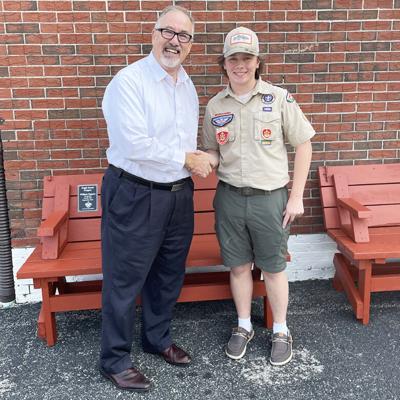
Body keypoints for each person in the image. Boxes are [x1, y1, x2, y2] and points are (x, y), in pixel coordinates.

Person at [99, 6, 213, 392]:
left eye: (184, 36)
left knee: (168, 273)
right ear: (154, 32)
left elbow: (181, 144)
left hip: (178, 196)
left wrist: (197, 159)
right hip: (135, 192)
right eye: (169, 31)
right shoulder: (129, 82)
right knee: (124, 278)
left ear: (191, 45)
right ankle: (114, 359)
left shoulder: (188, 85)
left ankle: (156, 338)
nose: (175, 41)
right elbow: (133, 143)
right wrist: (186, 158)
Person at [201, 27, 315, 366]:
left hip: (270, 199)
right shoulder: (214, 106)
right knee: (238, 266)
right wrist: (205, 159)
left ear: (257, 62)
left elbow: (304, 144)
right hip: (230, 198)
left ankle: (280, 329)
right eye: (233, 59)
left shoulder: (278, 98)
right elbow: (213, 150)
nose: (240, 65)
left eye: (246, 58)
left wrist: (296, 197)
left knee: (274, 267)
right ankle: (244, 325)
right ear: (224, 64)